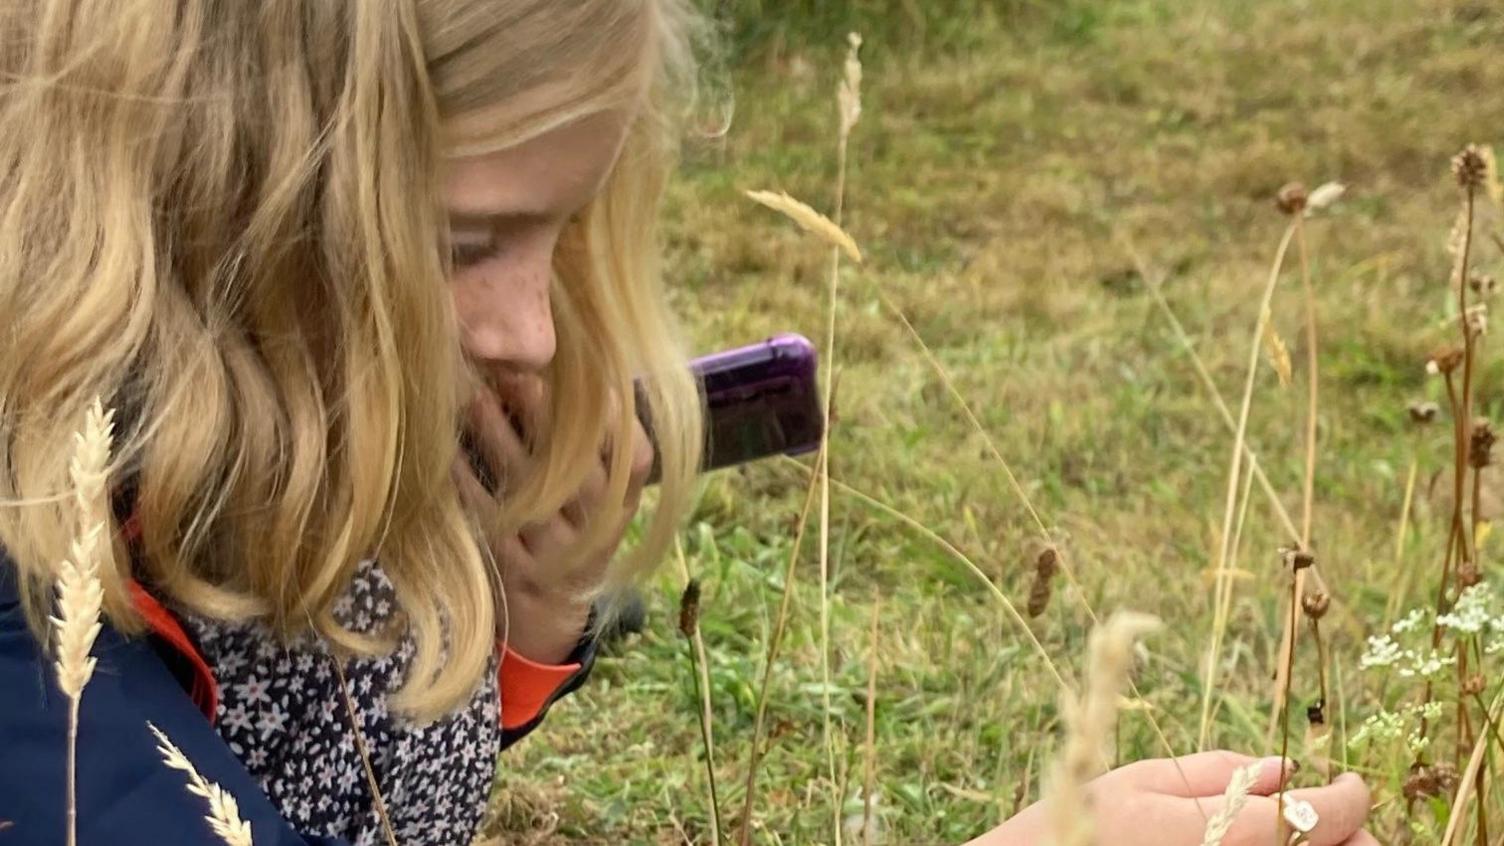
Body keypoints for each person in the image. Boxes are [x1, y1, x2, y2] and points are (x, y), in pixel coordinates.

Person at [0, 2, 1377, 844]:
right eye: (467, 237)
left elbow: (335, 799)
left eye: (558, 231)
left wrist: (517, 627)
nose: (530, 330)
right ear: (225, 173)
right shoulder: (28, 579)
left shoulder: (230, 404)